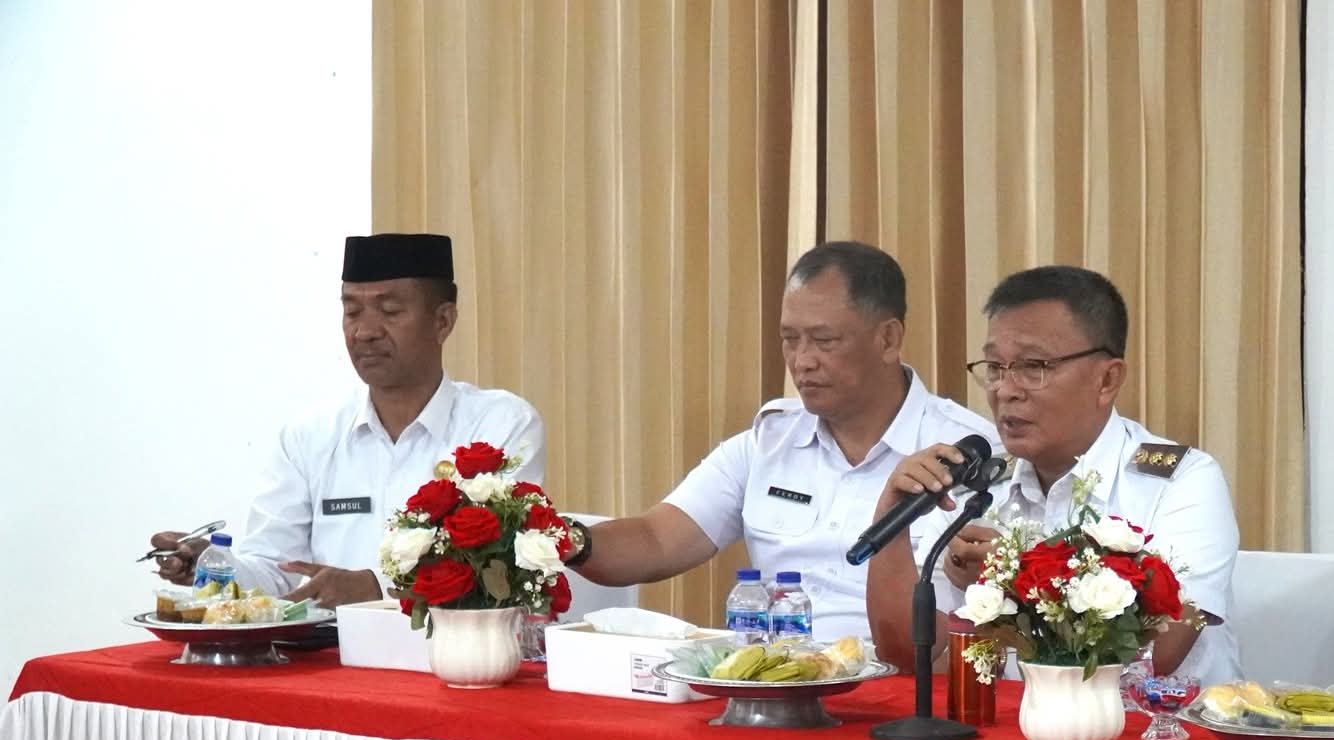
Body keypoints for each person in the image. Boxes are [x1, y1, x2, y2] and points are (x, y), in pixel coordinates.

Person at [561, 241, 993, 642]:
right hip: (778, 678)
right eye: (790, 340)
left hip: (905, 681)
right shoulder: (767, 442)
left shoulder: (968, 453)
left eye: (824, 341)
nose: (802, 361)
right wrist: (558, 539)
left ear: (888, 339)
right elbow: (656, 539)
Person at [865, 266, 1241, 684]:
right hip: (1008, 723)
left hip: (1155, 722)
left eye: (1033, 366)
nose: (1005, 389)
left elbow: (1159, 654)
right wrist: (892, 521)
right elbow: (911, 655)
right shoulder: (977, 487)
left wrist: (1014, 581)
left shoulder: (1183, 482)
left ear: (1107, 380)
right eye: (995, 367)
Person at [151, 233, 545, 607]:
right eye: (352, 311)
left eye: (390, 312)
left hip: (450, 648)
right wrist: (213, 566)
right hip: (328, 652)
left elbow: (502, 567)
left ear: (443, 320)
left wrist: (376, 590)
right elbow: (274, 570)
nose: (365, 331)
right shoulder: (309, 437)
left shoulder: (498, 424)